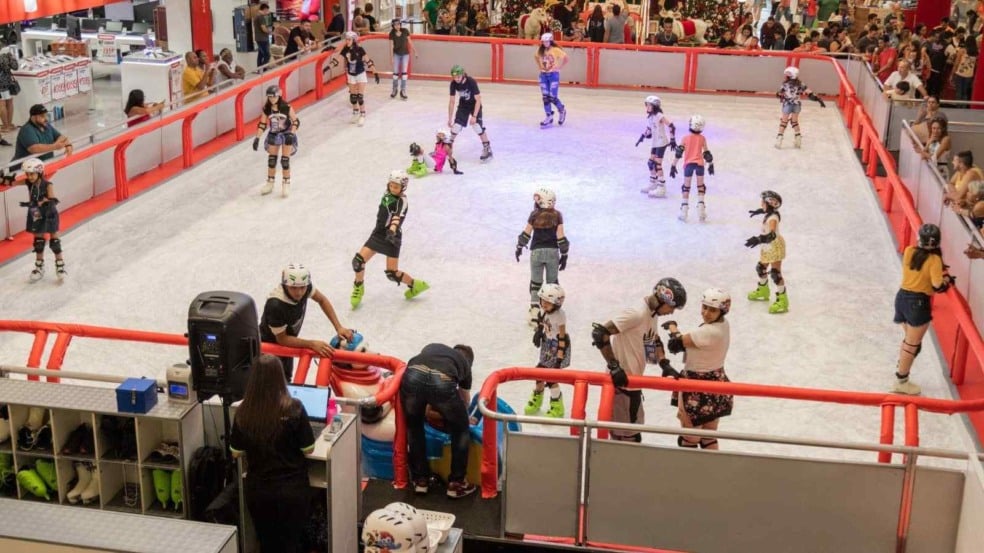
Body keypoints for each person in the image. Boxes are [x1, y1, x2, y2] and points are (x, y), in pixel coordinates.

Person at [229, 354, 316, 553]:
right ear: (280, 377)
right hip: (292, 492)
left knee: (268, 544)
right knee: (291, 543)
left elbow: (235, 452)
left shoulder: (244, 412)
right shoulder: (294, 408)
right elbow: (308, 448)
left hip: (259, 493)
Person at [590, 278, 687, 442]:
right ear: (664, 299)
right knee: (626, 437)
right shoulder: (637, 313)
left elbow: (652, 339)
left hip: (633, 383)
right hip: (622, 384)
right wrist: (614, 366)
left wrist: (664, 363)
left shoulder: (651, 313)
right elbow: (600, 333)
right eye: (672, 307)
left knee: (631, 434)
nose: (672, 312)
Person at [400, 343, 477, 498]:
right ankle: (457, 483)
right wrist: (463, 417)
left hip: (412, 375)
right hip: (441, 381)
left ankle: (421, 480)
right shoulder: (464, 366)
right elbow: (464, 401)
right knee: (461, 429)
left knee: (414, 426)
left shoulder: (433, 347)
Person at [259, 263, 353, 381]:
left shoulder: (305, 287)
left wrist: (338, 327)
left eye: (302, 287)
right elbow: (281, 339)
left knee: (286, 380)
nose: (299, 293)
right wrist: (312, 344)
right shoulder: (275, 305)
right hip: (269, 350)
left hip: (288, 345)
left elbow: (322, 300)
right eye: (293, 288)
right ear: (285, 285)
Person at [663, 288, 732, 449]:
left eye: (712, 310)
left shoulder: (707, 332)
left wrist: (673, 327)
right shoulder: (724, 325)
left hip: (695, 385)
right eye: (704, 307)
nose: (706, 313)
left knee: (690, 438)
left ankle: (689, 473)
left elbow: (675, 344)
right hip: (716, 381)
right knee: (709, 437)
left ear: (721, 311)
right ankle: (712, 472)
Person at [350, 171, 430, 308]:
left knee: (392, 273)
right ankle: (358, 287)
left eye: (396, 187)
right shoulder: (387, 194)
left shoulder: (402, 201)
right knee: (358, 261)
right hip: (378, 234)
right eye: (391, 185)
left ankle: (415, 285)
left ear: (403, 188)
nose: (393, 188)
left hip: (391, 237)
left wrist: (392, 231)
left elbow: (397, 217)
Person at [892, 224, 954, 395]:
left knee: (910, 342)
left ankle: (902, 368)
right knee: (911, 345)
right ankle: (901, 379)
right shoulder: (934, 260)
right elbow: (937, 285)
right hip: (918, 303)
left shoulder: (910, 251)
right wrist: (947, 281)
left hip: (902, 298)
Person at [515, 188, 569, 324]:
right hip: (552, 253)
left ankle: (534, 312)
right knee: (552, 283)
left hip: (537, 253)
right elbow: (561, 236)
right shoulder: (557, 215)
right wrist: (564, 254)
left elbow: (526, 233)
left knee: (535, 283)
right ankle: (552, 311)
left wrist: (519, 247)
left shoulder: (534, 215)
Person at [524, 284, 570, 418]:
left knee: (550, 378)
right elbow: (541, 321)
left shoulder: (560, 316)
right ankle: (538, 397)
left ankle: (557, 405)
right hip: (547, 344)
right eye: (542, 301)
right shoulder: (543, 310)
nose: (544, 304)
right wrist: (538, 332)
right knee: (539, 372)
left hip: (557, 347)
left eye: (548, 303)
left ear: (557, 304)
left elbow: (562, 336)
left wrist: (559, 359)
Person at [20, 158, 65, 282]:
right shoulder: (29, 183)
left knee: (54, 241)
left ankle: (60, 265)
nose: (29, 177)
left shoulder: (48, 184)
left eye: (32, 174)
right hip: (35, 213)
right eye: (27, 174)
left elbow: (53, 199)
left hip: (49, 213)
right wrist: (4, 179)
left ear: (39, 172)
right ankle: (39, 267)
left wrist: (44, 202)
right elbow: (13, 182)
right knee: (38, 242)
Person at [251, 85, 299, 197]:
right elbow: (262, 124)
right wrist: (257, 138)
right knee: (272, 160)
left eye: (274, 97)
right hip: (273, 133)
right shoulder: (267, 109)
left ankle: (286, 183)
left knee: (285, 160)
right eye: (270, 97)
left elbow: (296, 121)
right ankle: (270, 183)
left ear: (279, 95)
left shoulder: (286, 107)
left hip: (286, 134)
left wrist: (292, 134)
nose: (272, 99)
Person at [746, 190, 788, 314]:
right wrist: (759, 211)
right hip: (767, 247)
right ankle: (763, 291)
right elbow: (767, 212)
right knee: (761, 268)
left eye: (763, 202)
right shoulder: (770, 213)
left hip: (774, 246)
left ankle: (783, 300)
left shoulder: (773, 218)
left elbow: (772, 235)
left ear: (769, 204)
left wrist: (758, 239)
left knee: (775, 273)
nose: (761, 204)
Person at [668, 114, 714, 223]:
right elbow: (706, 153)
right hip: (700, 165)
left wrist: (673, 165)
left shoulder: (685, 138)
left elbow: (679, 153)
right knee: (700, 186)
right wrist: (711, 164)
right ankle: (701, 211)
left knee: (686, 187)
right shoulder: (702, 138)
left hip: (688, 165)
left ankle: (684, 212)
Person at [331, 32, 379, 127]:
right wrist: (328, 67)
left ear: (353, 40)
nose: (347, 41)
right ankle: (355, 113)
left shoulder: (360, 49)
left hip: (360, 74)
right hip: (351, 75)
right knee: (353, 97)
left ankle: (362, 114)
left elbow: (368, 61)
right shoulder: (345, 50)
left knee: (360, 97)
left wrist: (375, 72)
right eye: (346, 39)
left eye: (349, 39)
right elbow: (337, 59)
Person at [448, 65, 493, 161]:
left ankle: (487, 148)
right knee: (456, 126)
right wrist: (450, 118)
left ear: (463, 75)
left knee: (477, 126)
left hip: (474, 105)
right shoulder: (453, 84)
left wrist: (474, 116)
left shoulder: (471, 82)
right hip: (463, 106)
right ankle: (448, 146)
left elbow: (478, 100)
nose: (456, 79)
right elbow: (452, 101)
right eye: (454, 77)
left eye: (458, 77)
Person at [775, 66, 826, 150]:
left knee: (784, 122)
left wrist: (778, 95)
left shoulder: (785, 84)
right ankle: (798, 140)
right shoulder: (801, 84)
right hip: (797, 105)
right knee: (794, 122)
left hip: (787, 104)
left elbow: (779, 94)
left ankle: (779, 140)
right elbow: (810, 94)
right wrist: (819, 100)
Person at [637, 95, 677, 198]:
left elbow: (671, 126)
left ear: (654, 106)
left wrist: (672, 139)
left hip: (661, 143)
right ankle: (653, 183)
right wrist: (643, 136)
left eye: (649, 105)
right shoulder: (650, 117)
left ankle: (662, 188)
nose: (647, 107)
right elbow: (649, 128)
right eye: (646, 105)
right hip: (655, 143)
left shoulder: (659, 115)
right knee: (651, 163)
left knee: (657, 164)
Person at [535, 32, 569, 128]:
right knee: (545, 97)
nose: (545, 43)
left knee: (552, 96)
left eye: (547, 41)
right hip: (543, 75)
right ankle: (548, 116)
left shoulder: (556, 50)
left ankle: (561, 110)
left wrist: (559, 68)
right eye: (543, 42)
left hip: (553, 74)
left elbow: (566, 58)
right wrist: (539, 66)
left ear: (550, 41)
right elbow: (536, 57)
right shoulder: (540, 50)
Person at [389, 18, 416, 100]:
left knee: (404, 73)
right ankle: (394, 89)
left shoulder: (405, 31)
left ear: (400, 24)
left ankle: (403, 90)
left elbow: (410, 41)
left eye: (398, 24)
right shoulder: (392, 33)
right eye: (395, 25)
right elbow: (391, 46)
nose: (397, 26)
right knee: (395, 73)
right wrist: (391, 57)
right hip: (396, 54)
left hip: (405, 54)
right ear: (393, 26)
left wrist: (415, 51)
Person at [952, 35, 978, 102]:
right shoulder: (976, 53)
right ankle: (964, 109)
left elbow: (956, 63)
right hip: (969, 75)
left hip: (960, 73)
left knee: (958, 92)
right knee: (965, 93)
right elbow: (976, 66)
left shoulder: (962, 50)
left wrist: (952, 74)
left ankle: (958, 109)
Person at [0, 45, 17, 142]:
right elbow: (15, 67)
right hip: (8, 81)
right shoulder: (7, 54)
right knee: (9, 102)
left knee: (1, 104)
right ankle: (9, 124)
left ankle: (5, 126)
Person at [253, 3, 273, 67]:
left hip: (258, 38)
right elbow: (264, 29)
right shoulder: (261, 17)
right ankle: (263, 69)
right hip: (263, 39)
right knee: (267, 55)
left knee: (260, 54)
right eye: (267, 10)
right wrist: (270, 32)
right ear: (264, 9)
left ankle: (259, 69)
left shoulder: (256, 16)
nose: (267, 12)